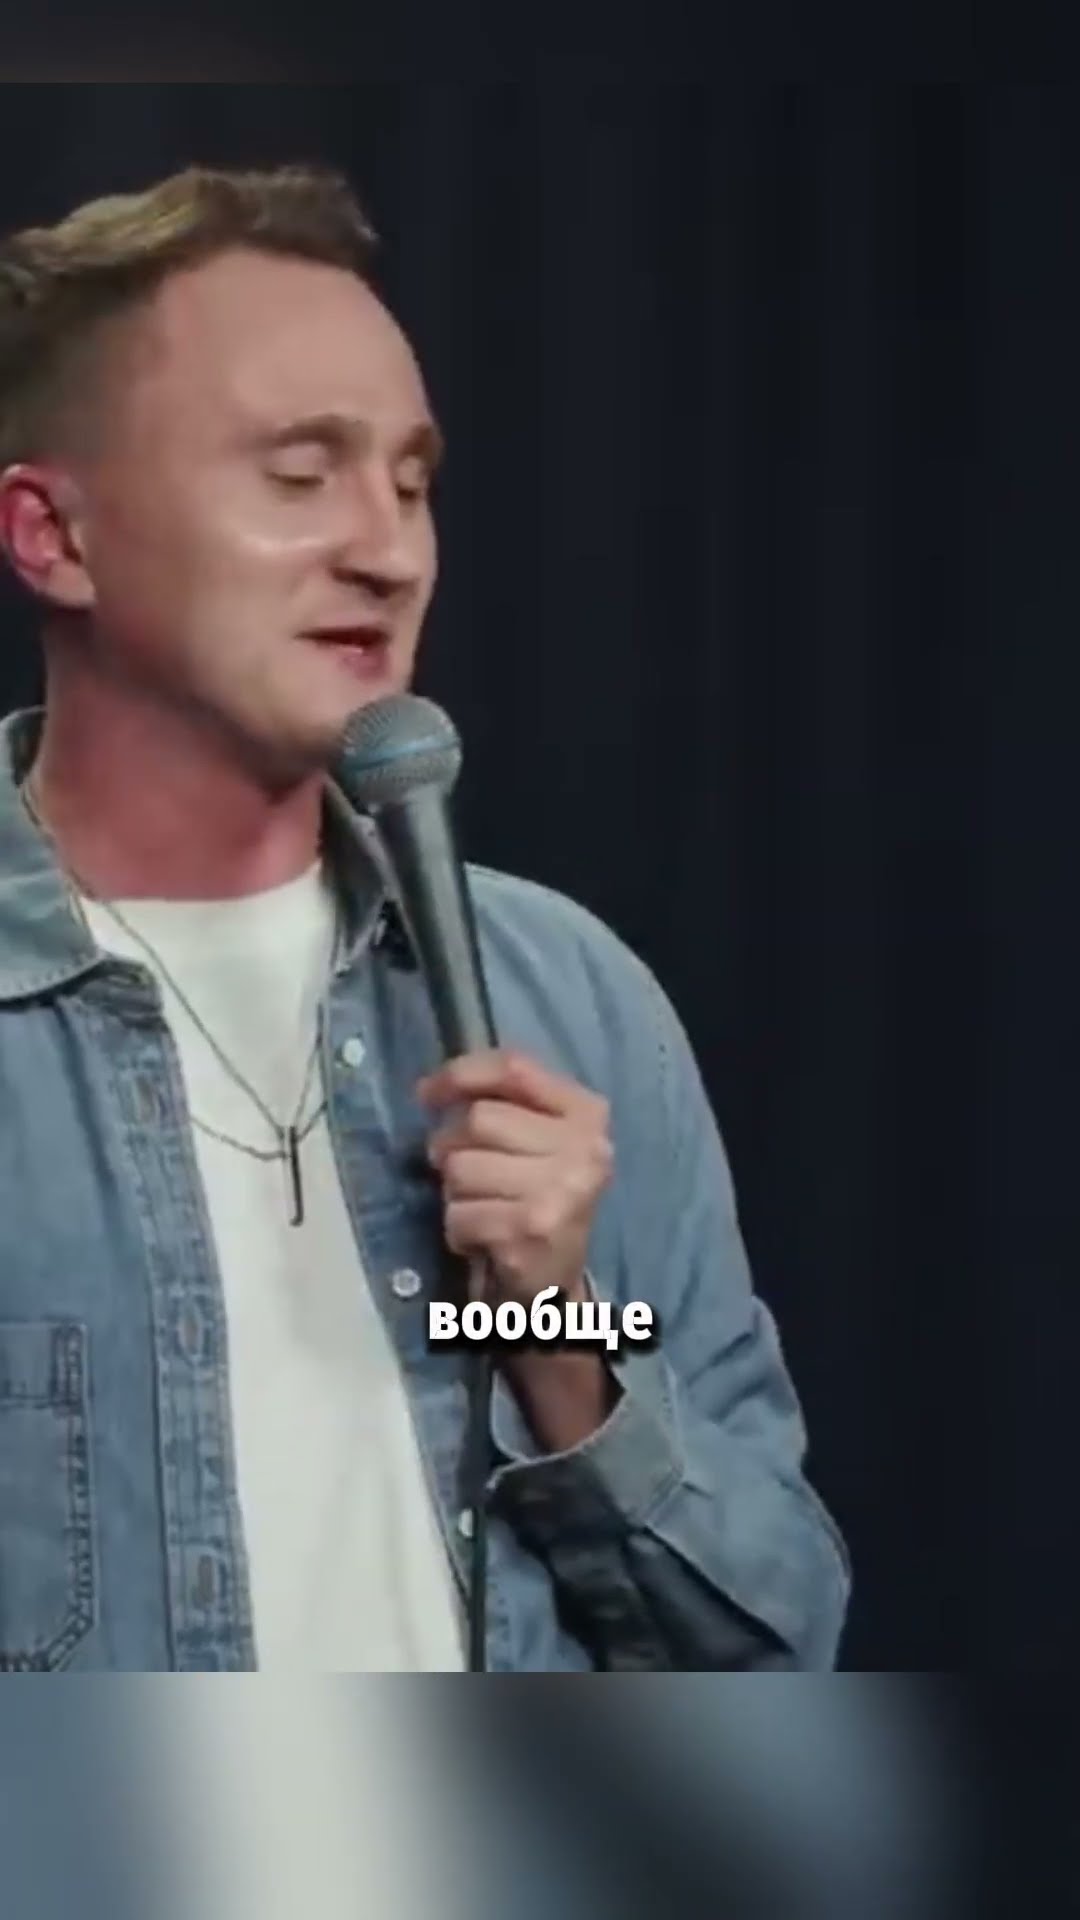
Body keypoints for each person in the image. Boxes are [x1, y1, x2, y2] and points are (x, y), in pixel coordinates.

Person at [0, 164, 848, 1671]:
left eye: (410, 480)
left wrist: (554, 1330)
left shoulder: (564, 998)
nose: (389, 551)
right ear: (52, 535)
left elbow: (773, 1648)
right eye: (300, 473)